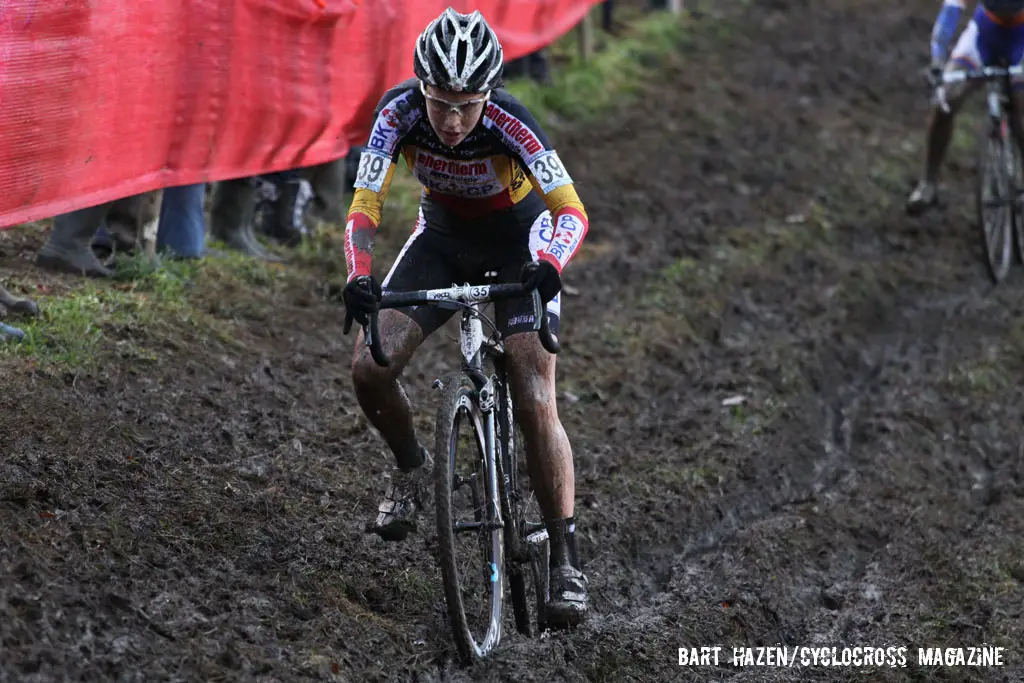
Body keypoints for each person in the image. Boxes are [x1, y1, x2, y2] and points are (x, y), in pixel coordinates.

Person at [341, 8, 590, 628]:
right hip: (443, 240)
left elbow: (571, 210)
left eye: (467, 106)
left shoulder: (510, 119)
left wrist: (551, 262)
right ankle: (412, 474)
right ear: (421, 88)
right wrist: (357, 272)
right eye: (439, 103)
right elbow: (366, 205)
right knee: (371, 368)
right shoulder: (397, 114)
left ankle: (564, 558)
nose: (451, 122)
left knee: (535, 395)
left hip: (519, 242)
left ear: (489, 94)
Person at [907, 0, 1024, 214]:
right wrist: (938, 61)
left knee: (1020, 108)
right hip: (985, 34)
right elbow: (951, 9)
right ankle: (928, 183)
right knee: (945, 100)